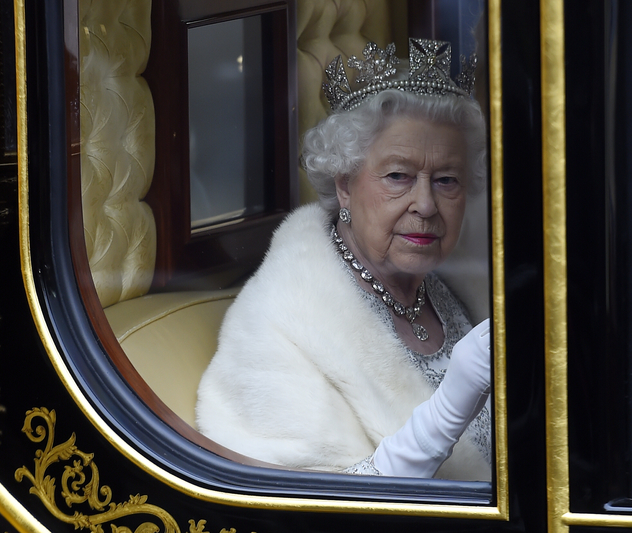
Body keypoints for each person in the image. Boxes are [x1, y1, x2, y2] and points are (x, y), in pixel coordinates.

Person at [196, 39, 491, 480]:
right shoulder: (276, 325)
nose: (426, 205)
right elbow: (320, 509)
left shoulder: (457, 290)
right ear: (345, 185)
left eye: (447, 180)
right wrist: (449, 409)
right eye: (398, 176)